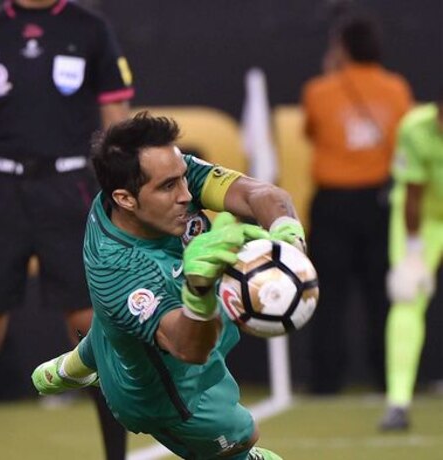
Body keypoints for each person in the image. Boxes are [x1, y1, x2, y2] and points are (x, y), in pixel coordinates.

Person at [32, 112, 306, 459]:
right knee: (244, 438)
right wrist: (199, 288)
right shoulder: (117, 269)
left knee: (113, 326)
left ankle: (74, 366)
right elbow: (188, 348)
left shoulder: (163, 176)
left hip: (131, 320)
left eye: (182, 177)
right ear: (125, 199)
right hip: (166, 394)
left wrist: (288, 240)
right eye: (168, 187)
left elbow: (260, 194)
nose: (186, 194)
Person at [0, 1, 134, 458]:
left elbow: (117, 120)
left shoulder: (89, 28)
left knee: (92, 330)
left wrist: (128, 193)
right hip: (0, 189)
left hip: (70, 189)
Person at [301, 13, 413, 394]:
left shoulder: (319, 90)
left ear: (342, 49)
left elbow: (312, 130)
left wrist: (332, 73)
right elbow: (402, 138)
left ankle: (326, 381)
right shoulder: (396, 88)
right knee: (381, 295)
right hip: (379, 202)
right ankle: (389, 377)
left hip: (334, 202)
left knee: (327, 296)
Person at [379, 93, 443, 431]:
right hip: (424, 220)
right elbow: (414, 193)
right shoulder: (416, 128)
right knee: (407, 296)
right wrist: (415, 251)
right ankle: (398, 402)